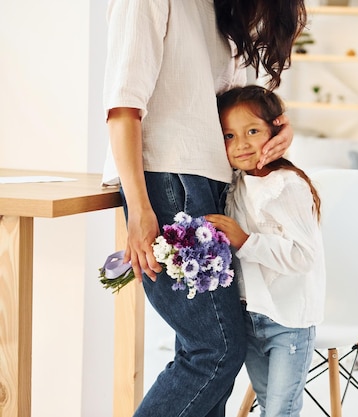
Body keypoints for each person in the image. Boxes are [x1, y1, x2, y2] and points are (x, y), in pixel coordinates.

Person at [102, 0, 307, 416]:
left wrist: (282, 124)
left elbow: (235, 103)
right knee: (214, 351)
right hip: (168, 181)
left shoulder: (226, 8)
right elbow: (123, 105)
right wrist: (140, 209)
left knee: (208, 352)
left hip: (217, 185)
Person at [206, 85, 326, 417]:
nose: (241, 144)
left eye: (252, 131)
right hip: (248, 316)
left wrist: (245, 241)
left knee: (280, 411)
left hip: (288, 321)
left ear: (275, 131)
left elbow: (304, 256)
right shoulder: (237, 184)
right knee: (267, 401)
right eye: (229, 136)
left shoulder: (286, 186)